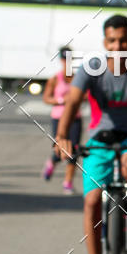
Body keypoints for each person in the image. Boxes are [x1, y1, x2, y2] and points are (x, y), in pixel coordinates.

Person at [56, 15, 127, 254]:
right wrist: (62, 136)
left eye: (124, 41)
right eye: (112, 41)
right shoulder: (92, 69)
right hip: (102, 138)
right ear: (105, 43)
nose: (118, 46)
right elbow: (73, 101)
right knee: (91, 200)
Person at [42, 47, 82, 193]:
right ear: (61, 60)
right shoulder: (55, 79)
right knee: (60, 149)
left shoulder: (78, 78)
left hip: (75, 117)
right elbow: (46, 98)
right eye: (65, 59)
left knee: (74, 150)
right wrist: (61, 100)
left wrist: (76, 99)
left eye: (70, 59)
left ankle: (68, 182)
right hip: (58, 117)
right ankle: (52, 161)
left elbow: (85, 95)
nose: (67, 62)